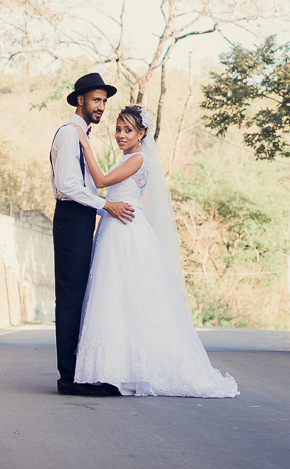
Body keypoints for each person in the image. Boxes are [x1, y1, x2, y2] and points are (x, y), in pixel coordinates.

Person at [70, 104, 239, 398]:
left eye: (128, 130)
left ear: (141, 133)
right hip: (115, 228)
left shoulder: (138, 159)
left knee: (128, 295)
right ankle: (112, 368)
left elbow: (100, 182)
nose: (121, 135)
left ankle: (129, 368)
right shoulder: (127, 158)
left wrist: (85, 144)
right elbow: (113, 195)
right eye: (119, 129)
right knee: (116, 297)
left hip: (126, 233)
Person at [50, 72, 134, 397]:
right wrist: (105, 206)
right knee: (70, 295)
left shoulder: (82, 134)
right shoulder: (69, 134)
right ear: (80, 100)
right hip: (73, 216)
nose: (101, 106)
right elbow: (67, 185)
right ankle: (69, 377)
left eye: (104, 101)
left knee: (80, 293)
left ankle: (78, 371)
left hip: (83, 217)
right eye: (96, 100)